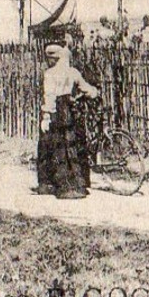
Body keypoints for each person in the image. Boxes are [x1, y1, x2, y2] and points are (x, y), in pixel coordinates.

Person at [35, 42, 99, 199]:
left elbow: (49, 96)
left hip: (57, 112)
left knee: (53, 146)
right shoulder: (73, 72)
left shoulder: (50, 74)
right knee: (72, 145)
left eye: (49, 59)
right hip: (69, 111)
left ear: (53, 59)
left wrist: (46, 117)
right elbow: (87, 88)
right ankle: (78, 183)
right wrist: (94, 92)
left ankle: (55, 184)